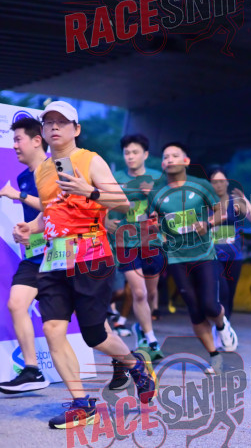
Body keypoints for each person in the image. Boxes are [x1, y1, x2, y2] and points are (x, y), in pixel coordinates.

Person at [12, 101, 155, 429]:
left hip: (91, 257)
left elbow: (122, 203)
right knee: (52, 329)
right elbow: (51, 212)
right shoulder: (42, 169)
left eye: (62, 122)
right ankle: (81, 404)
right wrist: (30, 227)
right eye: (48, 122)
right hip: (54, 260)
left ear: (76, 129)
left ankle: (134, 365)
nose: (54, 127)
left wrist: (88, 190)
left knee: (95, 335)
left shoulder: (90, 160)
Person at [148, 142, 238, 375]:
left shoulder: (201, 186)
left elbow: (221, 212)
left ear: (186, 161)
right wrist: (157, 230)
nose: (169, 159)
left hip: (204, 254)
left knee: (209, 305)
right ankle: (214, 356)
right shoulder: (157, 193)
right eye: (166, 156)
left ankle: (222, 324)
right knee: (195, 311)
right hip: (176, 258)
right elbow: (152, 221)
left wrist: (208, 223)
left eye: (174, 155)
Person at [0, 117, 53, 393]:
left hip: (63, 255)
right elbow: (37, 219)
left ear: (36, 140)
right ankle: (32, 370)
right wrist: (26, 232)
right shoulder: (23, 178)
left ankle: (126, 361)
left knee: (96, 326)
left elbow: (54, 207)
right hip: (35, 256)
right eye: (13, 140)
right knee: (16, 304)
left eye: (18, 139)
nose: (14, 146)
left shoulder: (55, 169)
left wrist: (16, 195)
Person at [105, 134, 165, 369]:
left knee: (150, 294)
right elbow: (103, 203)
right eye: (127, 153)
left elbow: (167, 206)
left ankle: (142, 326)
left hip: (151, 241)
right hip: (125, 242)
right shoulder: (116, 178)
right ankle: (151, 340)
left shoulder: (157, 177)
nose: (130, 157)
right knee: (138, 293)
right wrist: (106, 221)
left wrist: (155, 204)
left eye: (135, 152)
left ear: (145, 154)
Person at [208, 166, 251, 324]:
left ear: (227, 182)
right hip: (213, 256)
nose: (218, 185)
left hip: (234, 256)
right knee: (222, 290)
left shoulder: (235, 202)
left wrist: (245, 200)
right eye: (214, 182)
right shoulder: (205, 204)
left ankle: (226, 325)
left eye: (221, 181)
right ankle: (220, 324)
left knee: (230, 293)